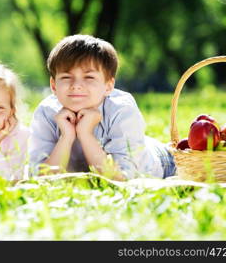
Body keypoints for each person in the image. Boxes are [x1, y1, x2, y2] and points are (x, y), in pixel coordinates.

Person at [29, 35, 176, 181]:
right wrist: (66, 137)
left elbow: (121, 179)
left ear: (108, 86)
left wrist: (85, 134)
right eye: (67, 77)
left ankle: (169, 149)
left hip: (159, 162)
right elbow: (41, 178)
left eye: (89, 77)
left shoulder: (121, 109)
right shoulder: (46, 113)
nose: (76, 85)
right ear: (53, 85)